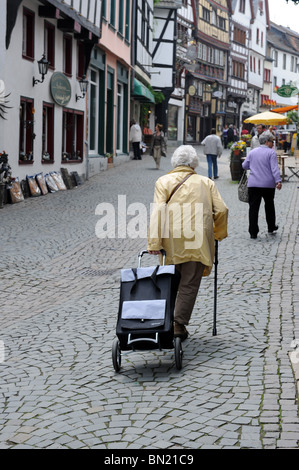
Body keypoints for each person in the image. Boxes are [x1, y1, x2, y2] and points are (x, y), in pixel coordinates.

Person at [147, 145, 228, 340]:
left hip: (170, 241)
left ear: (175, 162)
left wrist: (154, 243)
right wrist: (217, 233)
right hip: (197, 240)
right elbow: (222, 210)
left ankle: (165, 321)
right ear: (194, 163)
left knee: (170, 281)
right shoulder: (206, 182)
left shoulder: (163, 181)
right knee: (189, 283)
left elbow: (158, 212)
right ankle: (178, 324)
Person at [242, 133, 282, 239]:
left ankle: (253, 232)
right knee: (269, 205)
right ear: (267, 141)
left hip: (253, 184)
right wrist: (278, 181)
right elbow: (274, 168)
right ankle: (271, 227)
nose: (273, 143)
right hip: (268, 185)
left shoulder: (252, 152)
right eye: (272, 141)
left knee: (253, 208)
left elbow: (244, 165)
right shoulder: (271, 153)